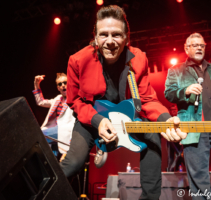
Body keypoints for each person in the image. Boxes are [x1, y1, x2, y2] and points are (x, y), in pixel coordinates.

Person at [60, 5, 187, 200]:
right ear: (95, 37)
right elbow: (75, 100)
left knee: (153, 137)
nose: (109, 42)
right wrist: (98, 121)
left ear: (127, 37)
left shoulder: (139, 59)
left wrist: (165, 119)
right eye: (103, 35)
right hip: (91, 119)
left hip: (127, 116)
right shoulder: (77, 60)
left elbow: (146, 99)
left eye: (117, 35)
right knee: (74, 162)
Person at [164, 33, 211, 199]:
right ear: (187, 48)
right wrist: (185, 91)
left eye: (202, 45)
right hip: (194, 127)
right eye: (195, 45)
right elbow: (169, 94)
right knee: (198, 174)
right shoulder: (176, 70)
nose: (199, 48)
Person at [33, 73, 75, 159]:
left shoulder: (74, 99)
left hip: (65, 131)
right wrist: (36, 84)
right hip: (55, 131)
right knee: (51, 158)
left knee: (41, 136)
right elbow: (40, 102)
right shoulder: (57, 99)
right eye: (60, 84)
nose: (63, 85)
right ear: (58, 88)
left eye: (65, 82)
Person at [167, 104, 184, 172]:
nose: (173, 111)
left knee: (181, 155)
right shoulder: (168, 118)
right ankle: (170, 170)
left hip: (180, 139)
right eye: (172, 110)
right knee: (170, 156)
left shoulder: (180, 117)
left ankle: (180, 168)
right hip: (170, 139)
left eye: (174, 109)